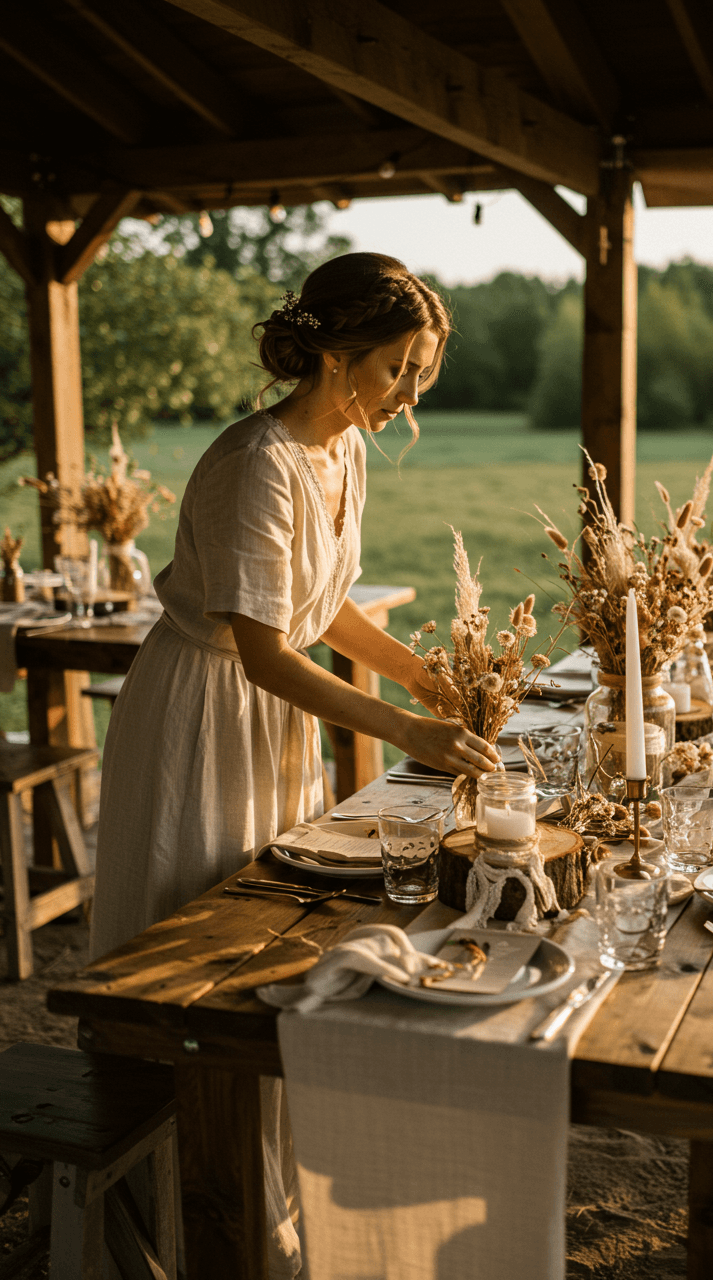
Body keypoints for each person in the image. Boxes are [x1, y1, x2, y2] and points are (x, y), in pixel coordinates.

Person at [88, 251, 500, 1279]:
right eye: (400, 366)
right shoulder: (253, 459)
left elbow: (323, 609)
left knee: (270, 943)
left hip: (271, 716)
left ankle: (260, 1201)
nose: (411, 392)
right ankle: (156, 1217)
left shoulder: (344, 452)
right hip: (201, 711)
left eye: (422, 369)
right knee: (187, 936)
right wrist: (404, 733)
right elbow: (265, 644)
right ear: (331, 352)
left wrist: (419, 674)